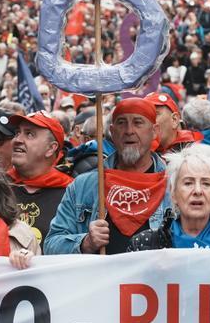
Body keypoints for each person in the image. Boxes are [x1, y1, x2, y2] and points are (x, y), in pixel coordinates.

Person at [45, 98, 170, 255]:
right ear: (111, 131)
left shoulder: (174, 185)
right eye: (121, 123)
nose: (129, 130)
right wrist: (85, 243)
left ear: (154, 131)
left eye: (138, 123)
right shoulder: (83, 187)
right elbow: (51, 246)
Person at [129, 144, 210, 251]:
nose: (197, 191)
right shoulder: (145, 245)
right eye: (188, 183)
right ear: (173, 193)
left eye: (206, 183)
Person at [8, 111, 73, 243]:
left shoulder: (72, 194)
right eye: (17, 133)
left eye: (29, 134)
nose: (17, 140)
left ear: (51, 148)